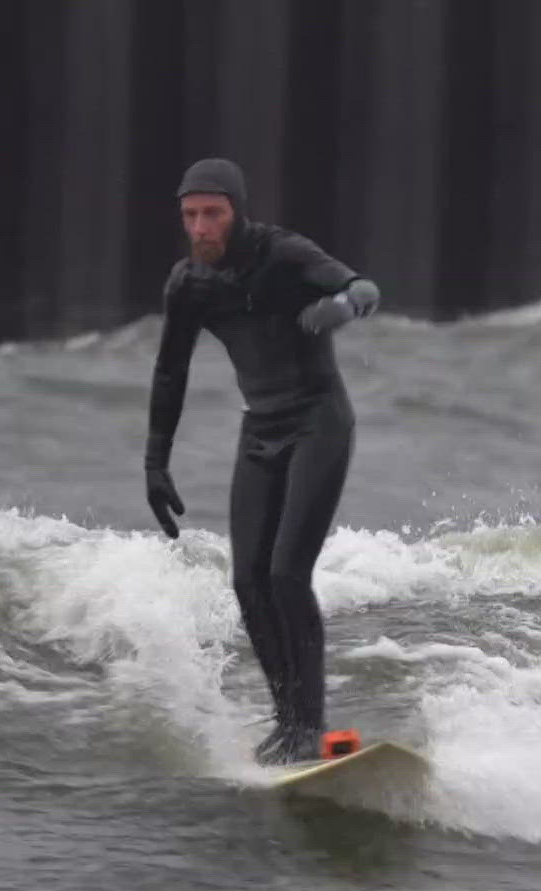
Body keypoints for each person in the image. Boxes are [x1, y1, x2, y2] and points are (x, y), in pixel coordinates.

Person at [143, 158, 382, 765]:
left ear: (236, 211)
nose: (200, 228)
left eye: (213, 214)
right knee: (247, 581)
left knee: (285, 575)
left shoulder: (284, 254)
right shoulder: (189, 284)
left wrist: (336, 309)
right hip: (260, 431)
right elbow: (171, 371)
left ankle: (311, 725)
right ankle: (288, 724)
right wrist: (155, 462)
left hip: (319, 423)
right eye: (190, 215)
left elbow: (363, 289)